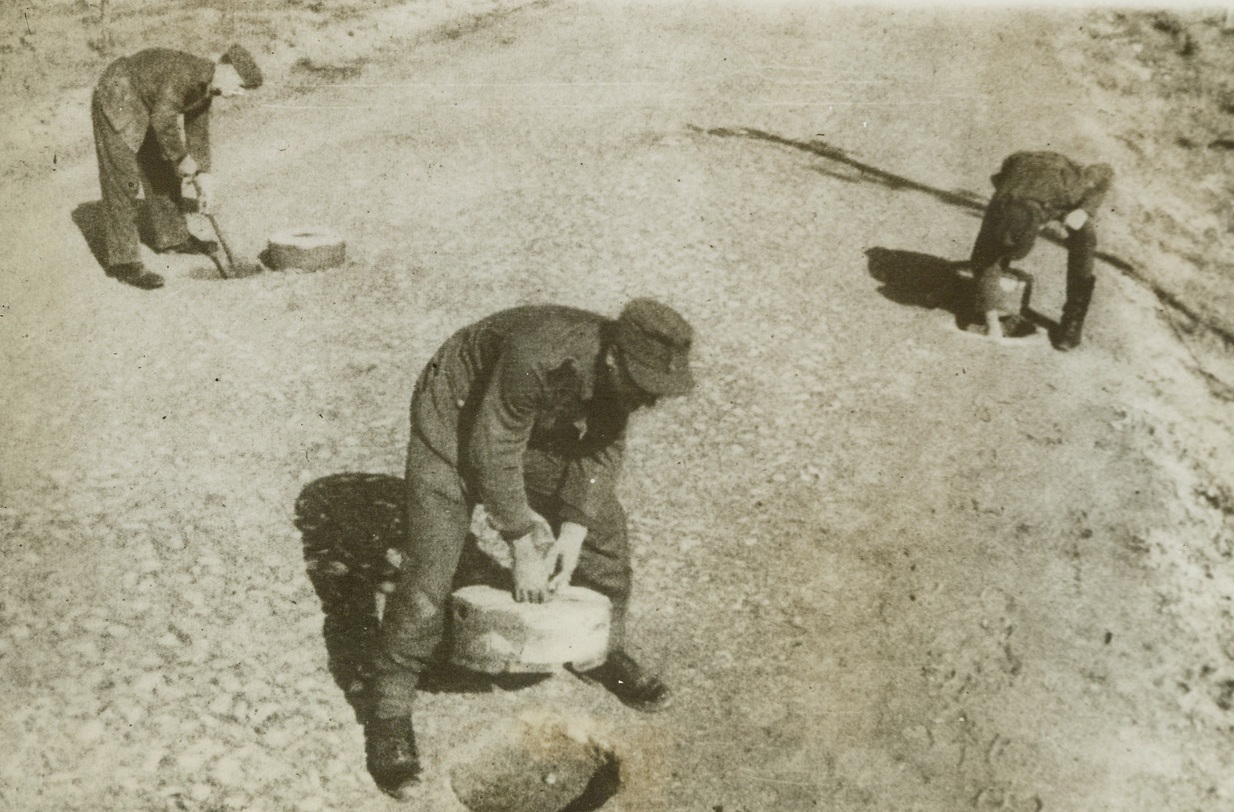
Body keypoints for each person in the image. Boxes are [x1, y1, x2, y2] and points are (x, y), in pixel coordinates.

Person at [366, 299, 695, 799]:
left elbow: (603, 450)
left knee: (606, 538)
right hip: (455, 411)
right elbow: (491, 447)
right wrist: (521, 542)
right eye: (643, 386)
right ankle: (390, 711)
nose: (649, 401)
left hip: (527, 420)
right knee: (428, 577)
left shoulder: (621, 378)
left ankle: (599, 650)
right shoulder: (540, 352)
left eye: (658, 390)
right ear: (613, 359)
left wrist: (574, 532)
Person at [90, 45, 263, 290]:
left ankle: (173, 238)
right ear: (226, 68)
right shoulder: (187, 73)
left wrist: (203, 176)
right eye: (240, 85)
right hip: (118, 93)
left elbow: (197, 132)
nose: (239, 94)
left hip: (146, 103)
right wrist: (183, 160)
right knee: (123, 179)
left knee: (161, 167)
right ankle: (124, 263)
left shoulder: (207, 85)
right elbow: (163, 121)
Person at [968, 151, 1114, 350]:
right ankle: (1001, 268)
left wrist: (1085, 209)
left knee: (1085, 234)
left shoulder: (1072, 189)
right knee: (990, 248)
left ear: (1039, 227)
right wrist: (991, 323)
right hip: (1020, 185)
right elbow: (983, 259)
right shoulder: (1000, 202)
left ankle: (1073, 318)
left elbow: (1105, 175)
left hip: (1055, 192)